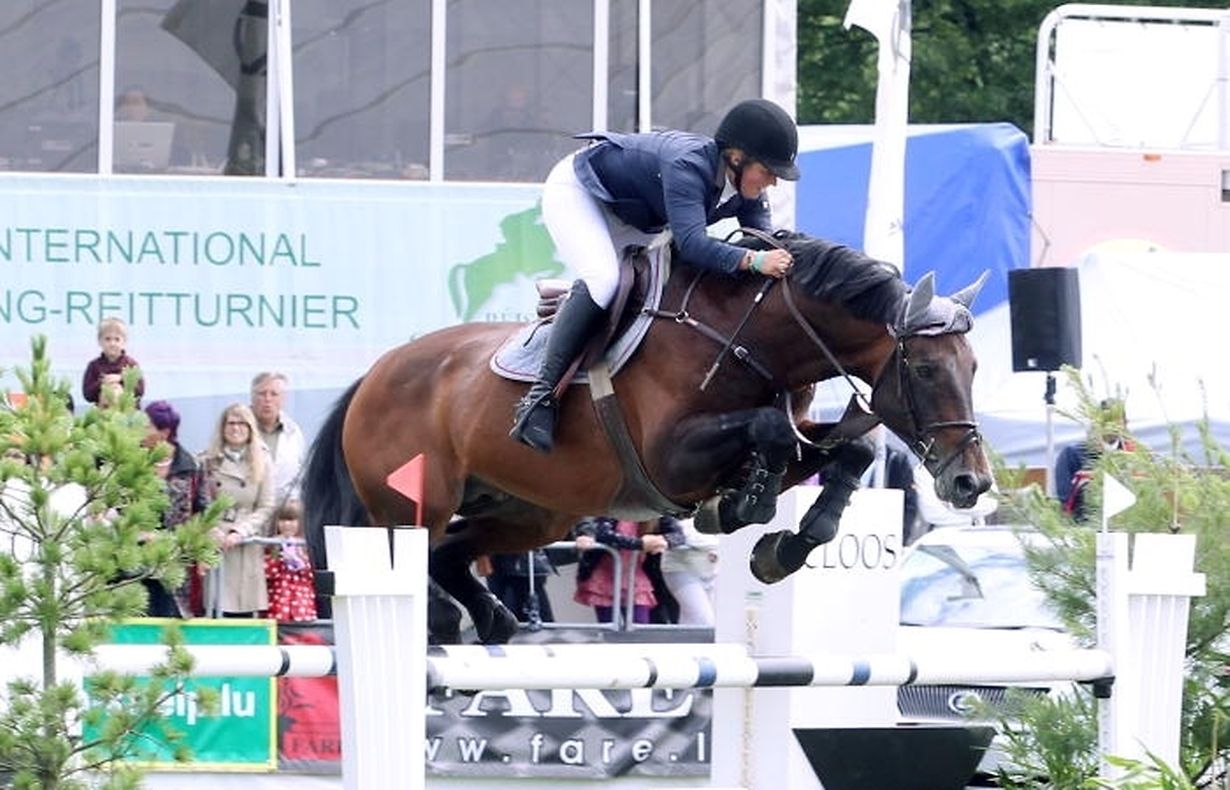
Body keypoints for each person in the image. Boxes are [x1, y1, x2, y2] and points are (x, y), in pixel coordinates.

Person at [509, 98, 800, 453]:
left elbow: (764, 239)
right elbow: (693, 245)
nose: (773, 181)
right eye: (768, 171)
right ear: (736, 158)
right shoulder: (687, 166)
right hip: (583, 193)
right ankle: (538, 400)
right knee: (604, 280)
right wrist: (754, 260)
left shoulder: (745, 186)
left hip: (637, 217)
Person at [199, 403, 275, 617]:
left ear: (250, 428)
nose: (236, 428)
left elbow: (267, 505)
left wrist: (240, 531)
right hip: (216, 539)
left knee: (246, 609)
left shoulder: (263, 460)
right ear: (222, 427)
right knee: (215, 606)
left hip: (245, 540)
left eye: (242, 423)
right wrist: (211, 529)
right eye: (231, 423)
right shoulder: (207, 460)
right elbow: (198, 502)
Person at [143, 400, 210, 617]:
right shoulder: (134, 463)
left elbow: (203, 511)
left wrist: (201, 550)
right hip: (139, 559)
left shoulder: (191, 466)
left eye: (146, 426)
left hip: (177, 558)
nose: (140, 431)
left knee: (173, 617)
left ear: (164, 432)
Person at [573, 516, 670, 626]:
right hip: (605, 576)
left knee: (640, 624)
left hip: (637, 576)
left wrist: (664, 541)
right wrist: (639, 544)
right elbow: (603, 534)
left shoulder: (654, 515)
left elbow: (676, 533)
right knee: (609, 625)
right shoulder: (609, 513)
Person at [1055, 398, 1134, 521]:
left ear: (1125, 423)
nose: (1111, 426)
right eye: (1107, 420)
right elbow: (1065, 501)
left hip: (1129, 525)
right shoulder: (1072, 454)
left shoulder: (1135, 455)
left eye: (1116, 420)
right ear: (1096, 422)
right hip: (1085, 525)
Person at [249, 372, 306, 511]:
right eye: (262, 394)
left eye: (274, 394)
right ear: (252, 397)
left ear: (283, 399)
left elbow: (299, 475)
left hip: (283, 511)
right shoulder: (238, 427)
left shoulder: (293, 432)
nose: (267, 399)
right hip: (248, 511)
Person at [659, 517, 719, 626]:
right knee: (704, 621)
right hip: (681, 568)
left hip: (710, 569)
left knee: (691, 621)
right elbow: (680, 534)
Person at [264, 500, 317, 622]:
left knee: (302, 630)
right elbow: (267, 573)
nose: (287, 524)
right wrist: (280, 559)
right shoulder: (271, 544)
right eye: (282, 520)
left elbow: (311, 574)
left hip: (302, 602)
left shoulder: (306, 545)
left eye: (292, 520)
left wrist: (299, 561)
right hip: (277, 600)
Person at [82, 316, 145, 407]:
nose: (112, 343)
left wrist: (121, 379)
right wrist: (103, 383)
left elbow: (140, 391)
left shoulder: (131, 364)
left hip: (128, 412)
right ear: (99, 341)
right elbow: (87, 395)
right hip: (103, 413)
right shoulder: (94, 366)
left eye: (117, 339)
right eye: (107, 339)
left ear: (124, 342)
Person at [484, 549, 555, 625]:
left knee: (541, 617)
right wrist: (483, 558)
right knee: (505, 615)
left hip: (529, 564)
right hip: (502, 568)